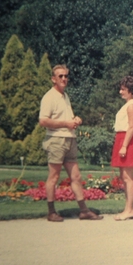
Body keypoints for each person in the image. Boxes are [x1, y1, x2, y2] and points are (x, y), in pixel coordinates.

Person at [39, 64, 103, 222]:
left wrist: (75, 120)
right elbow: (43, 121)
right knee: (53, 177)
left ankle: (84, 210)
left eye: (66, 76)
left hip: (69, 139)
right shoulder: (49, 97)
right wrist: (66, 124)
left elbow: (67, 118)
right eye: (60, 76)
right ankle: (51, 211)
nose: (64, 79)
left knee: (76, 176)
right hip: (56, 140)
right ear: (53, 79)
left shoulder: (65, 96)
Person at [110, 76, 133, 221]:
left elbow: (130, 127)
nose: (120, 92)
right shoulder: (129, 104)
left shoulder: (131, 106)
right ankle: (128, 208)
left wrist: (124, 146)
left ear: (130, 90)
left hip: (127, 140)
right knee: (124, 177)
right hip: (122, 139)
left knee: (128, 178)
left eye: (123, 89)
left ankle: (129, 210)